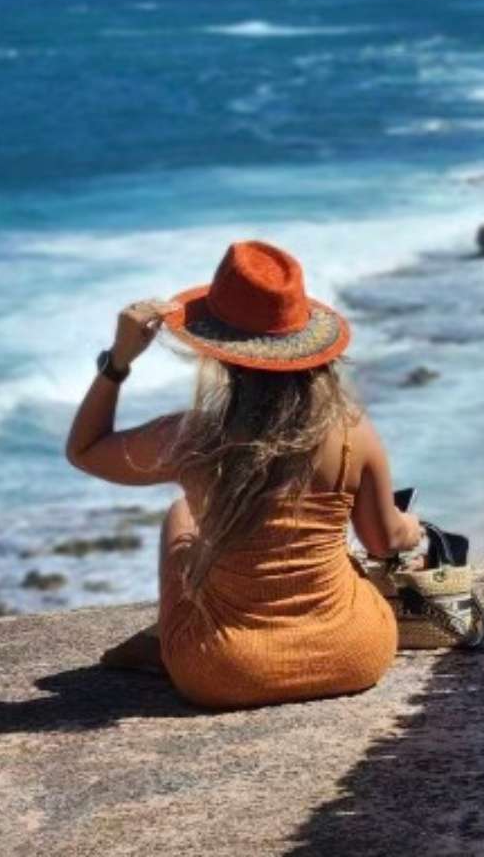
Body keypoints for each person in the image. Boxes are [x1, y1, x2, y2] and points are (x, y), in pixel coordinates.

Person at [66, 239, 424, 709]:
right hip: (354, 655)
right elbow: (384, 541)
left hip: (224, 671)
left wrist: (117, 362)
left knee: (182, 516)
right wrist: (412, 528)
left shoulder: (194, 438)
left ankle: (166, 640)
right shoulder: (351, 433)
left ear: (218, 350)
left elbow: (86, 450)